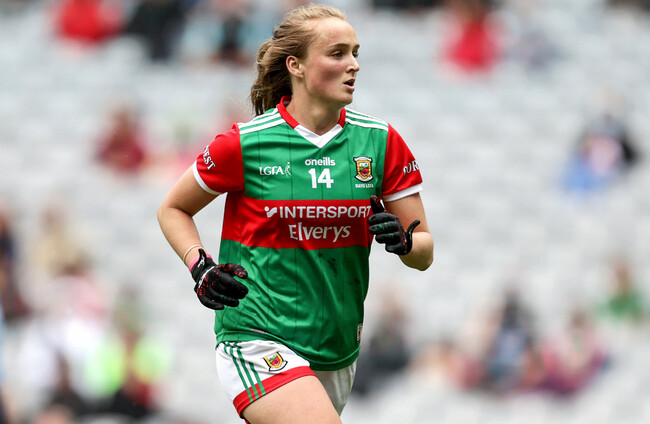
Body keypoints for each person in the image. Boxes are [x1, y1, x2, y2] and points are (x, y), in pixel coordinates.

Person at [157, 3, 433, 423]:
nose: (354, 64)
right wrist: (200, 265)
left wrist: (405, 242)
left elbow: (424, 253)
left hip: (336, 344)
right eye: (337, 53)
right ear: (296, 65)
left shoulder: (380, 142)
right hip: (255, 333)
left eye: (355, 53)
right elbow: (173, 208)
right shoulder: (246, 143)